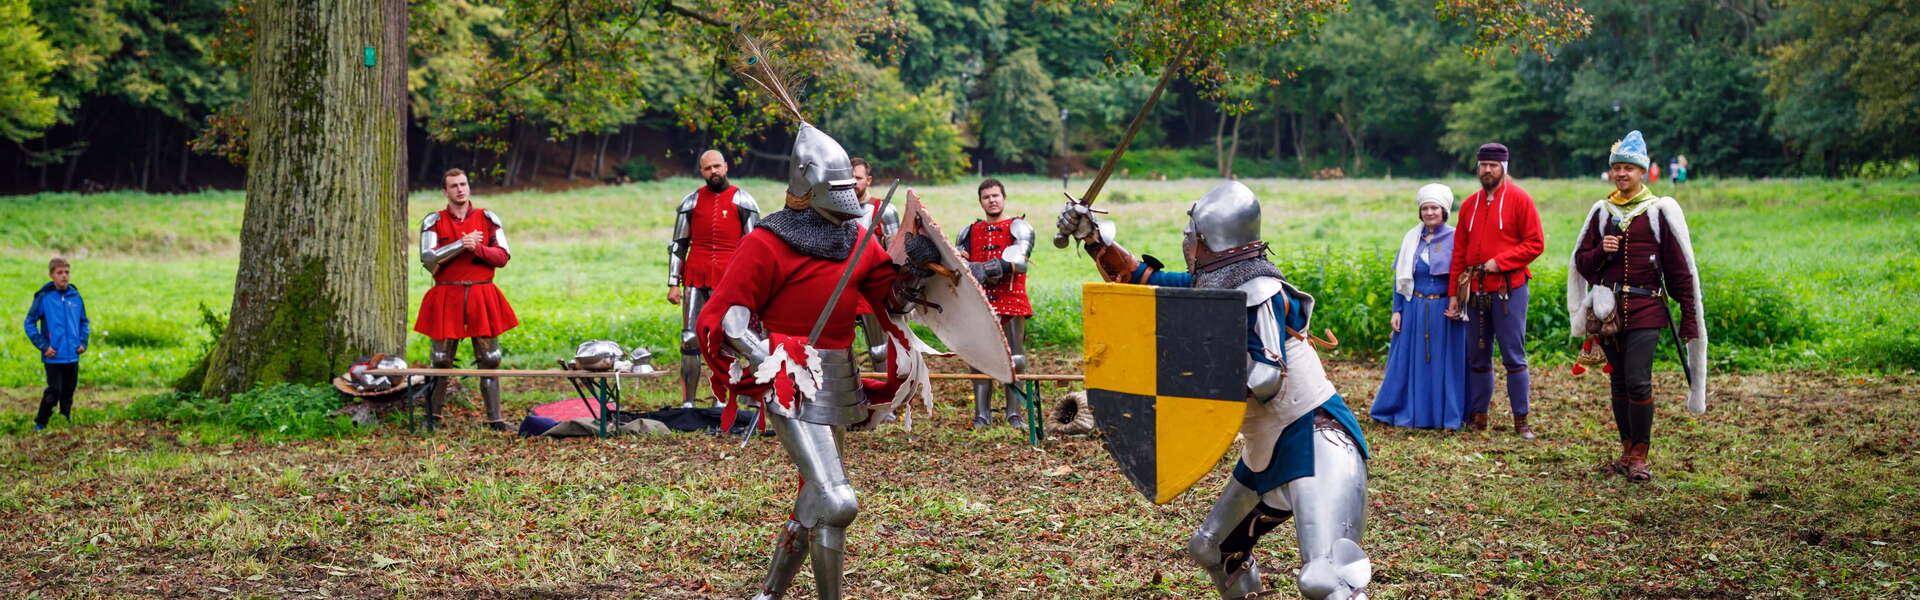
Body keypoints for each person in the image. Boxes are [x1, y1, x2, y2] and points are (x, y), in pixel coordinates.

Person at [1058, 181, 1372, 600]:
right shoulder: (1211, 283)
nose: (1187, 240)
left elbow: (1266, 377)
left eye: (1192, 233)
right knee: (1213, 547)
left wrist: (1184, 391)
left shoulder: (1259, 288)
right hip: (1265, 447)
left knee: (1326, 579)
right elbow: (1139, 280)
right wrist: (1093, 238)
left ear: (1207, 238)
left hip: (1314, 438)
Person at [695, 123, 940, 600]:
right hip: (789, 381)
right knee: (837, 499)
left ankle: (769, 595)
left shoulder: (854, 238)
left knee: (817, 499)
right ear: (807, 185)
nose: (846, 203)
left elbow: (887, 299)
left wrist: (913, 269)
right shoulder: (767, 241)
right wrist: (775, 362)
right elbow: (730, 320)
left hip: (839, 377)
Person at [1569, 130, 1707, 482]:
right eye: (1617, 168)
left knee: (1638, 382)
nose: (1621, 174)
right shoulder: (1602, 212)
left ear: (1642, 172)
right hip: (1609, 313)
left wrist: (1689, 316)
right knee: (1618, 385)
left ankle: (1640, 456)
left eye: (1629, 168)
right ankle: (1626, 449)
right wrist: (1603, 251)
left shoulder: (1660, 212)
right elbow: (1582, 263)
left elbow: (1679, 269)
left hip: (1647, 309)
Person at [1445, 143, 1545, 439]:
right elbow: (1459, 254)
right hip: (1474, 291)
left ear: (1504, 167)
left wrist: (1500, 262)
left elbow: (1535, 243)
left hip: (1508, 290)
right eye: (1483, 165)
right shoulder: (1468, 205)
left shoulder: (1520, 200)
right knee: (1477, 357)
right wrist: (1454, 294)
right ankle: (1479, 417)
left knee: (1514, 357)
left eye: (1493, 165)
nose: (1487, 170)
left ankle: (1521, 421)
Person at [415, 168, 518, 431]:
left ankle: (495, 419)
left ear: (468, 187)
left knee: (490, 358)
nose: (460, 189)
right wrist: (462, 244)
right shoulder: (433, 221)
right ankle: (433, 417)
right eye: (454, 186)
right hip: (446, 294)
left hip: (482, 292)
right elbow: (428, 258)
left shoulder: (487, 217)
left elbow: (503, 257)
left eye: (463, 184)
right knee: (440, 359)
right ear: (445, 191)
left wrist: (477, 248)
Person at [667, 150, 761, 408]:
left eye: (717, 166)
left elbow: (756, 248)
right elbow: (678, 245)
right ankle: (688, 402)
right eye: (708, 168)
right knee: (689, 338)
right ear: (702, 171)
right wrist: (673, 283)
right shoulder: (691, 201)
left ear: (726, 167)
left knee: (727, 338)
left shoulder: (743, 200)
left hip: (730, 281)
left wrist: (754, 285)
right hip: (695, 278)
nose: (713, 172)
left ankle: (724, 400)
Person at [1371, 184, 1466, 431]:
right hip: (1414, 308)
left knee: (1442, 363)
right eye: (1425, 208)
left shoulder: (1456, 238)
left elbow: (1463, 277)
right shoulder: (1412, 238)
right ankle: (1407, 412)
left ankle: (1444, 417)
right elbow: (1400, 279)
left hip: (1444, 311)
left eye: (1434, 207)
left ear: (1444, 210)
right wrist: (1397, 309)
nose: (1429, 212)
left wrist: (1459, 305)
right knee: (1409, 361)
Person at [954, 178, 1035, 429]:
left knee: (1016, 358)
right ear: (981, 202)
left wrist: (989, 267)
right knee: (978, 357)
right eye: (986, 197)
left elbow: (1020, 261)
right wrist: (967, 265)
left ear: (1004, 197)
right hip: (979, 303)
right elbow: (958, 262)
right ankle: (982, 415)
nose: (992, 200)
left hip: (1010, 299)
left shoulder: (1019, 228)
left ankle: (1014, 415)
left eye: (996, 196)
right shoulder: (969, 231)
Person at [24, 257, 88, 431]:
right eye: (59, 273)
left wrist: (83, 341)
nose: (64, 276)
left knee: (68, 390)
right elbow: (29, 322)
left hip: (73, 355)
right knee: (54, 391)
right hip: (53, 355)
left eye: (67, 272)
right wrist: (44, 346)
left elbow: (84, 321)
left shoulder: (75, 297)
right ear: (51, 275)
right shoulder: (44, 297)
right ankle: (41, 422)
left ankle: (64, 419)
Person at [849, 156, 898, 373]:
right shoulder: (836, 211)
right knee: (838, 349)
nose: (852, 182)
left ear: (868, 180)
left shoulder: (883, 210)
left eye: (857, 178)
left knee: (879, 350)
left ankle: (884, 402)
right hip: (842, 289)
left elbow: (896, 254)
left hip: (873, 290)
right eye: (848, 177)